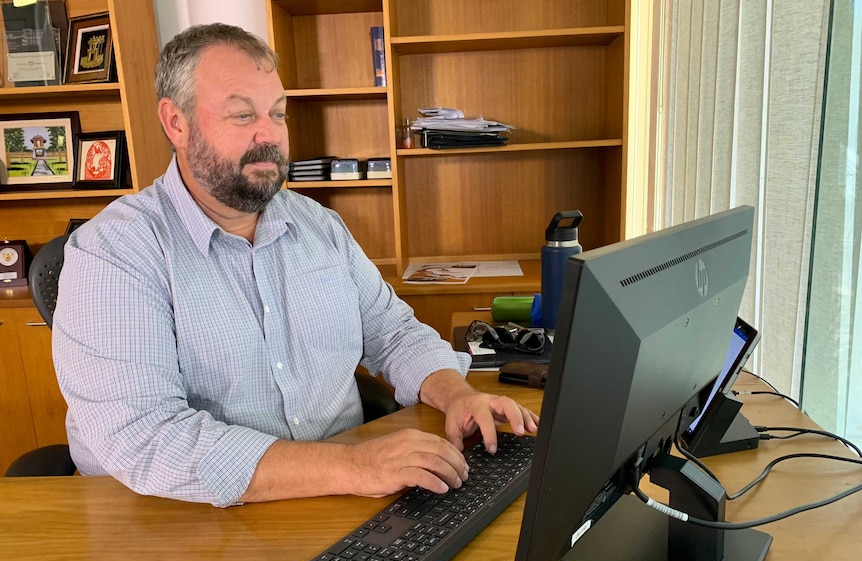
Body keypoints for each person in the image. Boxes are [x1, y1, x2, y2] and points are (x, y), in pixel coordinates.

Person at [52, 23, 539, 508]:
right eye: (243, 115)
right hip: (177, 515)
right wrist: (355, 466)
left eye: (278, 114)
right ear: (176, 123)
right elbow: (146, 439)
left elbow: (393, 334)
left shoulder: (317, 224)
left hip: (341, 494)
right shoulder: (113, 252)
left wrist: (454, 393)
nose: (270, 136)